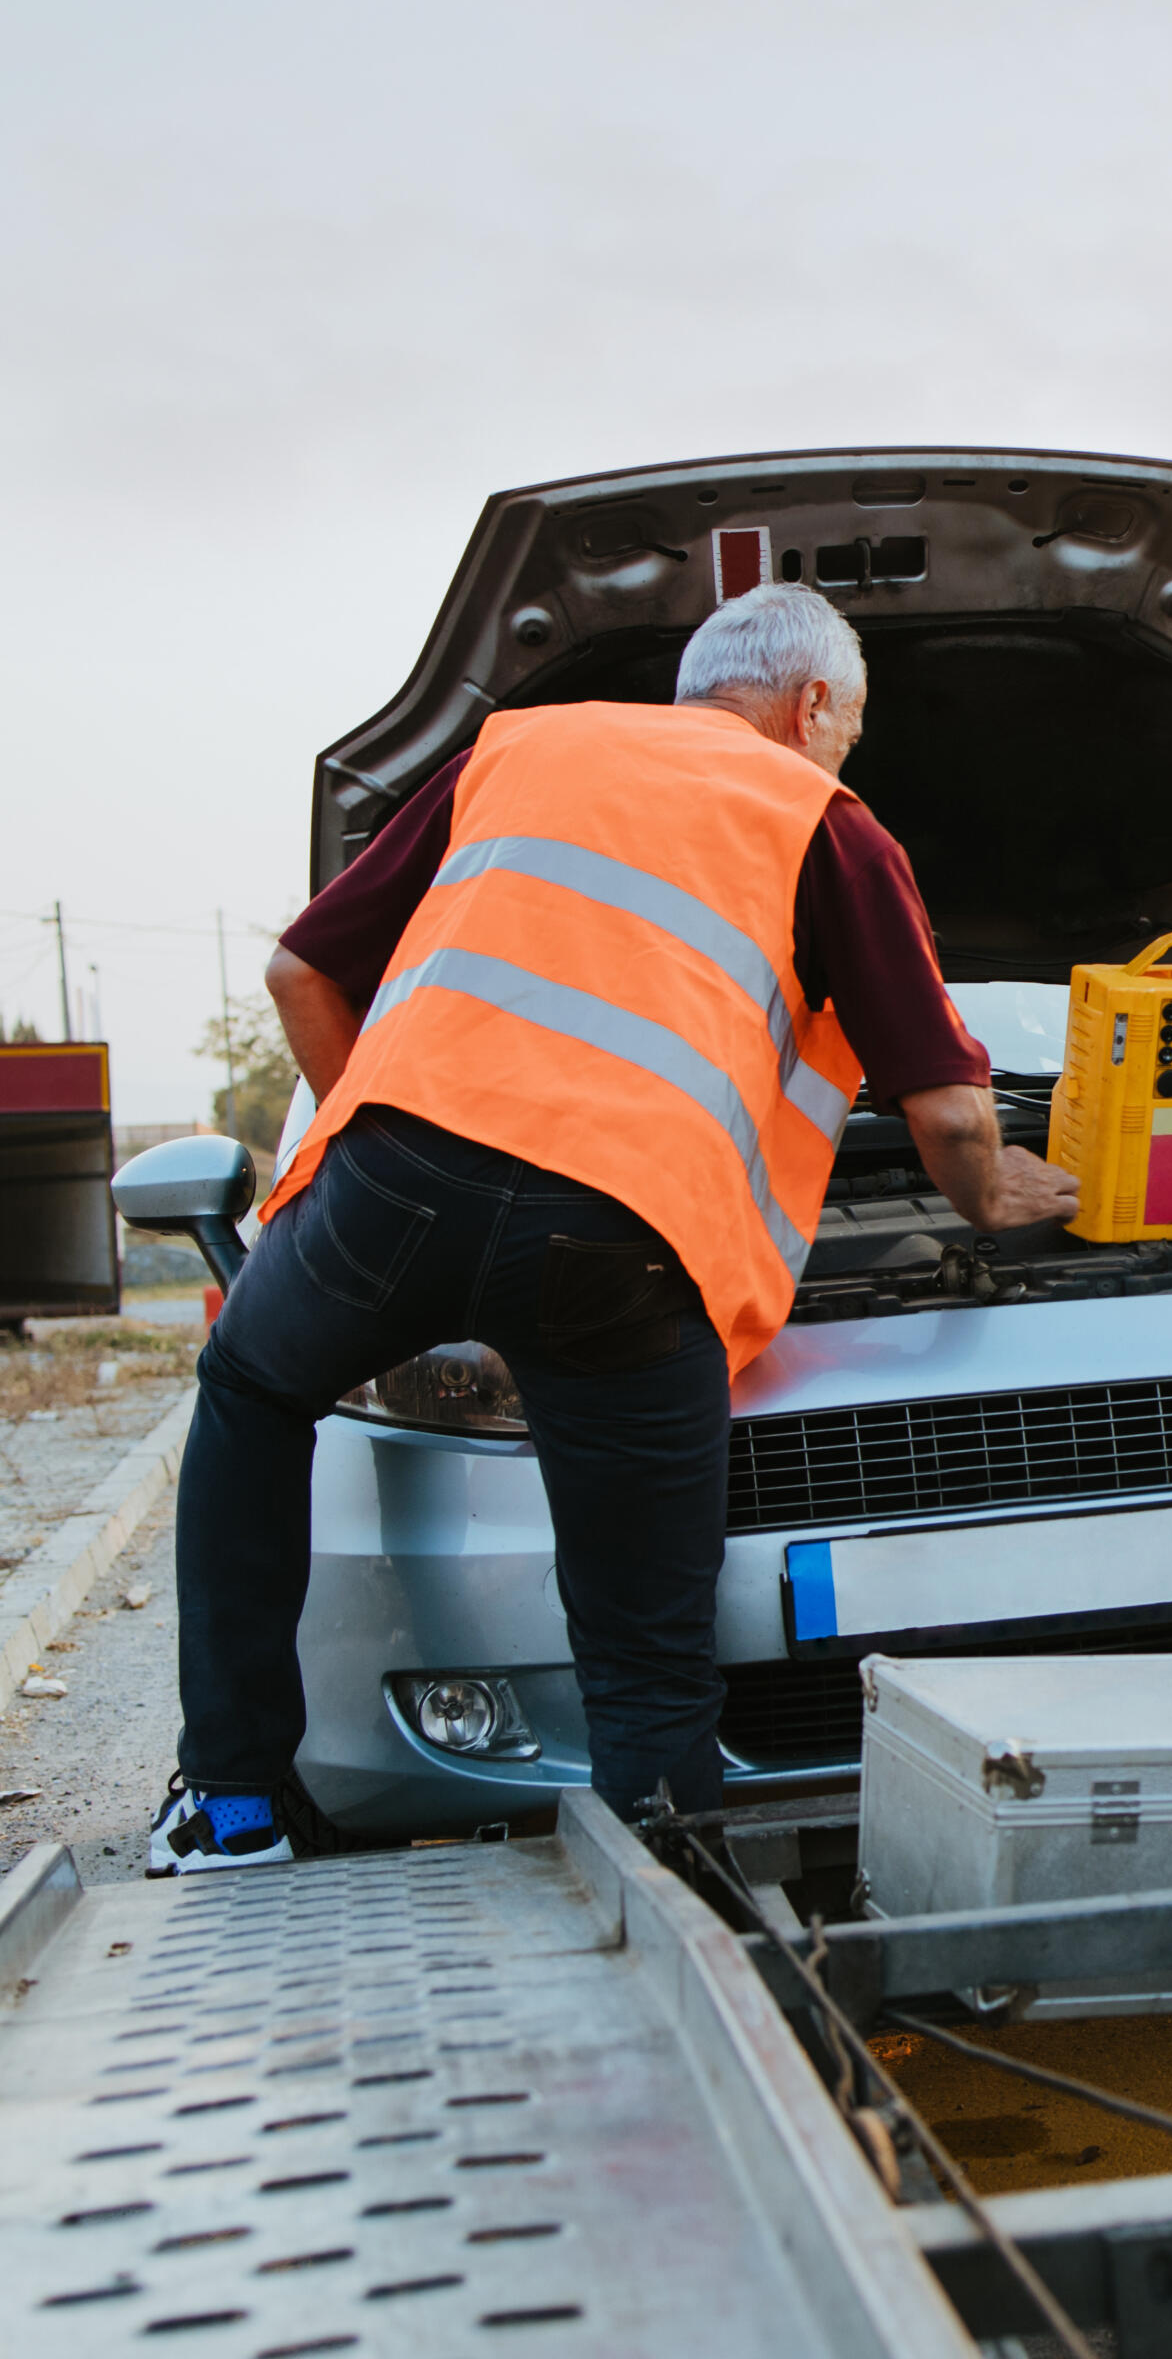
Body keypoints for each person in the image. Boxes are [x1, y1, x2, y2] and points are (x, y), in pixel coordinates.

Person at [152, 583, 1077, 1872]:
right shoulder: (824, 819)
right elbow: (947, 1111)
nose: (843, 754)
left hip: (397, 1177)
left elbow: (301, 970)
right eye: (849, 729)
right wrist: (1001, 1200)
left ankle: (230, 1806)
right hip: (623, 1238)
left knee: (248, 1385)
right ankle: (670, 1877)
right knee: (644, 1642)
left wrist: (349, 1153)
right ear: (813, 705)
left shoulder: (517, 748)